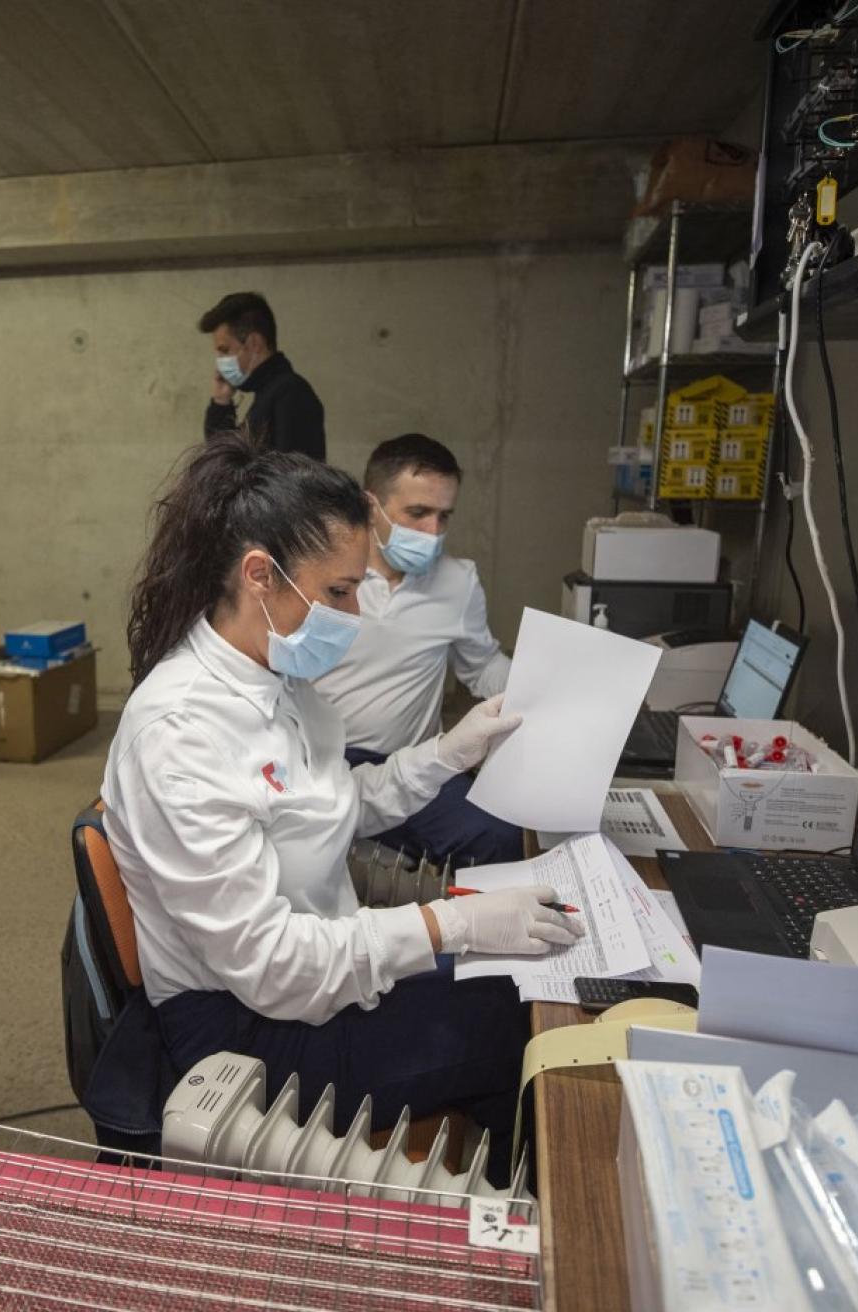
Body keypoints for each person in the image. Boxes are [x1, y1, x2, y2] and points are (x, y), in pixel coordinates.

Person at [102, 433, 581, 1181]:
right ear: (259, 575)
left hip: (308, 974)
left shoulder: (279, 679)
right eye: (337, 592)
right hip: (245, 1031)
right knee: (517, 1026)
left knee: (515, 980)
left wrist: (446, 754)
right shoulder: (181, 734)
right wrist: (445, 924)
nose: (356, 612)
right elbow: (269, 967)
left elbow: (335, 805)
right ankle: (507, 1230)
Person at [316, 434, 523, 867]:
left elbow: (482, 664)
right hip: (324, 757)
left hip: (416, 759)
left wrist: (537, 691)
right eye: (417, 513)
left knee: (502, 836)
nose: (433, 532)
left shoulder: (458, 582)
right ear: (371, 506)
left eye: (444, 516)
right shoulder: (325, 575)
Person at [199, 291, 326, 460]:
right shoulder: (268, 395)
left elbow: (294, 479)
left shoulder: (291, 393)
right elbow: (225, 461)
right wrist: (221, 403)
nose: (220, 362)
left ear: (254, 343)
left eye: (225, 350)